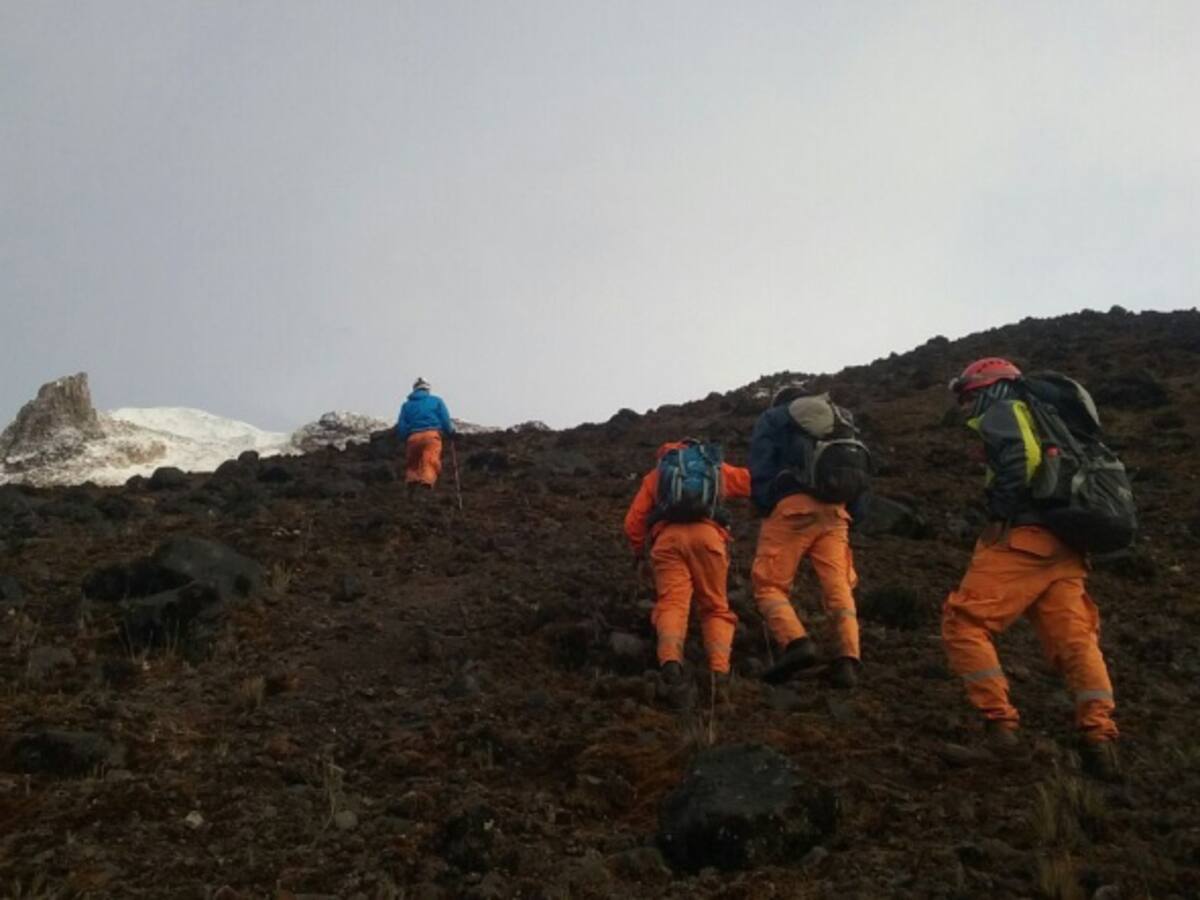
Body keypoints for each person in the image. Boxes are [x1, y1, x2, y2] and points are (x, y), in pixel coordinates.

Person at [942, 357, 1120, 780]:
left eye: (969, 395)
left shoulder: (1006, 408)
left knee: (964, 622)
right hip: (1067, 544)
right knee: (1075, 641)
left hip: (1025, 538)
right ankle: (1101, 739)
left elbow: (1021, 459)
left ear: (989, 386)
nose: (968, 406)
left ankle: (1000, 730)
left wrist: (999, 517)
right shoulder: (1054, 417)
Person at [748, 387, 869, 689]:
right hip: (836, 512)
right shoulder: (840, 418)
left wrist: (766, 503)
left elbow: (761, 462)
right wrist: (854, 512)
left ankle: (796, 644)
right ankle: (847, 660)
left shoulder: (773, 417)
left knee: (769, 586)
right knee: (838, 587)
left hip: (792, 509)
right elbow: (860, 470)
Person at [624, 440, 751, 708]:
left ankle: (671, 663)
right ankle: (719, 671)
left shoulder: (658, 474)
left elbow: (633, 521)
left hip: (667, 540)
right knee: (715, 607)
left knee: (672, 603)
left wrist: (638, 552)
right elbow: (750, 482)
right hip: (708, 537)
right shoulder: (714, 467)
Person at [396, 378, 455, 491]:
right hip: (431, 435)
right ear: (427, 389)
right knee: (430, 460)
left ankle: (412, 482)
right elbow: (445, 420)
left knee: (413, 463)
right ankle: (426, 484)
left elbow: (402, 426)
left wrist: (404, 438)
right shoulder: (436, 401)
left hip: (413, 438)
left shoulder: (406, 405)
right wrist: (450, 432)